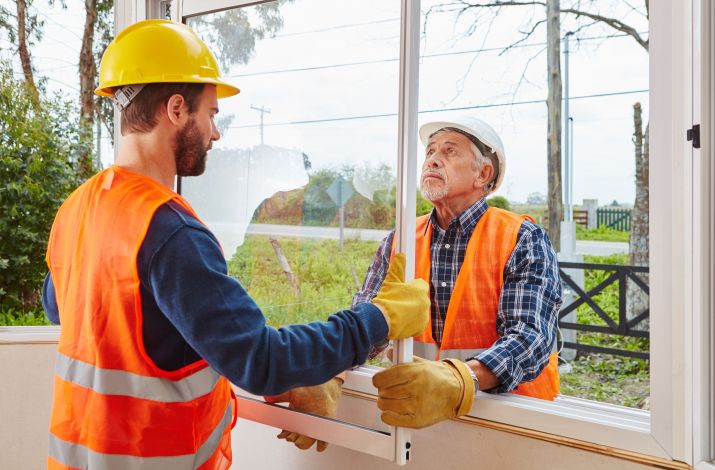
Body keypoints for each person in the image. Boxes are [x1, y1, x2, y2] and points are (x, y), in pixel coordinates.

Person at [42, 19, 429, 469]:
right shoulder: (169, 231)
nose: (216, 132)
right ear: (175, 110)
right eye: (211, 114)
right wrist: (378, 319)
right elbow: (260, 359)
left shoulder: (80, 206)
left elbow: (76, 312)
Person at [353, 116, 562, 429]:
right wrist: (331, 365)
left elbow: (529, 338)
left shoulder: (521, 237)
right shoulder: (400, 239)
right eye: (430, 152)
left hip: (506, 422)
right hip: (415, 416)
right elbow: (364, 324)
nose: (433, 160)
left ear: (483, 173)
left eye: (449, 152)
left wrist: (459, 380)